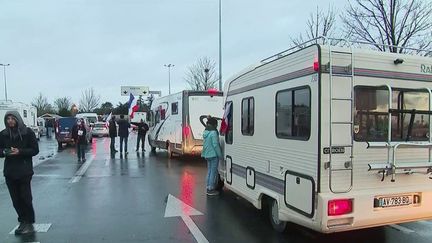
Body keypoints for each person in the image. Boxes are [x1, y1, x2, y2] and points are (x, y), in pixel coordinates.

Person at [0, 111, 39, 235]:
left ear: (18, 119)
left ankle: (29, 222)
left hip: (24, 171)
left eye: (12, 118)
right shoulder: (3, 134)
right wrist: (5, 152)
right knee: (15, 199)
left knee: (25, 198)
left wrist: (20, 151)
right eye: (8, 119)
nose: (10, 121)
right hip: (10, 171)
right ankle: (22, 221)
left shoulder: (27, 133)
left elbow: (34, 150)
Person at [201, 117, 222, 196]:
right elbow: (216, 145)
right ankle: (211, 189)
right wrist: (220, 155)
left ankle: (208, 187)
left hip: (207, 154)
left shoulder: (206, 132)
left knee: (209, 171)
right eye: (216, 124)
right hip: (213, 154)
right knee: (213, 172)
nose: (217, 126)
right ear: (214, 124)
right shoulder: (213, 132)